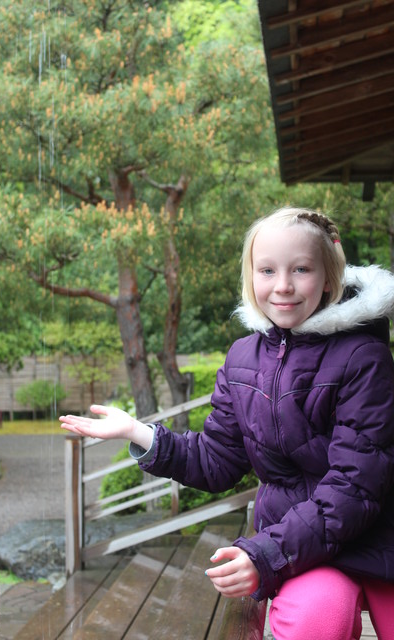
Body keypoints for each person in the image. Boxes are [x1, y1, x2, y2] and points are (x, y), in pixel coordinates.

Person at [60, 206, 394, 640]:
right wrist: (137, 432)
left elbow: (355, 485)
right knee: (318, 619)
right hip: (306, 552)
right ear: (250, 277)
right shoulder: (242, 359)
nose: (284, 286)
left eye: (302, 269)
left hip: (376, 538)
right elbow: (217, 460)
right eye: (267, 270)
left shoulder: (363, 358)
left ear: (328, 278)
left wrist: (266, 553)